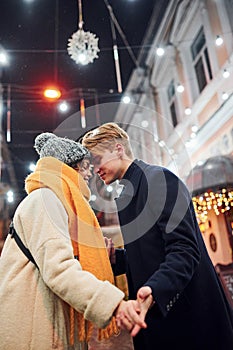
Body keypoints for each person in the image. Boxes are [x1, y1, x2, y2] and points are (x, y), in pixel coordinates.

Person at [82, 122, 233, 350]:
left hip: (188, 318)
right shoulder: (127, 195)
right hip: (156, 319)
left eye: (97, 160)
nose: (95, 169)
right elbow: (149, 252)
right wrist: (116, 259)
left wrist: (154, 290)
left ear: (118, 149)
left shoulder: (159, 180)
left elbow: (184, 250)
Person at [0, 132, 152, 350]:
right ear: (70, 169)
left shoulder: (58, 202)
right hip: (34, 330)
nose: (90, 173)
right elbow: (58, 268)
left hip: (49, 323)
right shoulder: (45, 200)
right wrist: (114, 304)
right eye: (85, 166)